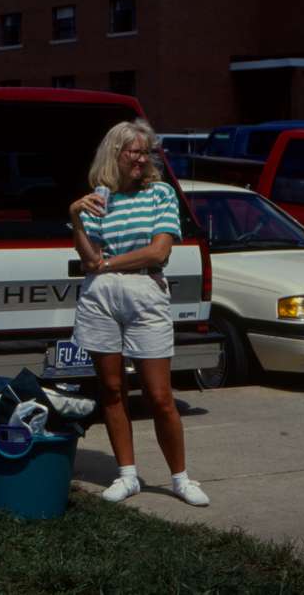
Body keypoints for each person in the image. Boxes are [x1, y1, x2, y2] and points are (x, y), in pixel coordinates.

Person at [68, 119, 210, 507]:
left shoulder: (160, 194)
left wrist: (108, 265)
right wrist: (76, 217)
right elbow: (89, 256)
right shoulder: (100, 197)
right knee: (112, 390)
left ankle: (180, 478)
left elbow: (158, 252)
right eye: (135, 151)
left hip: (145, 291)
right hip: (101, 297)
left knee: (159, 395)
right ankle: (126, 475)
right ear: (116, 153)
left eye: (146, 152)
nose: (142, 159)